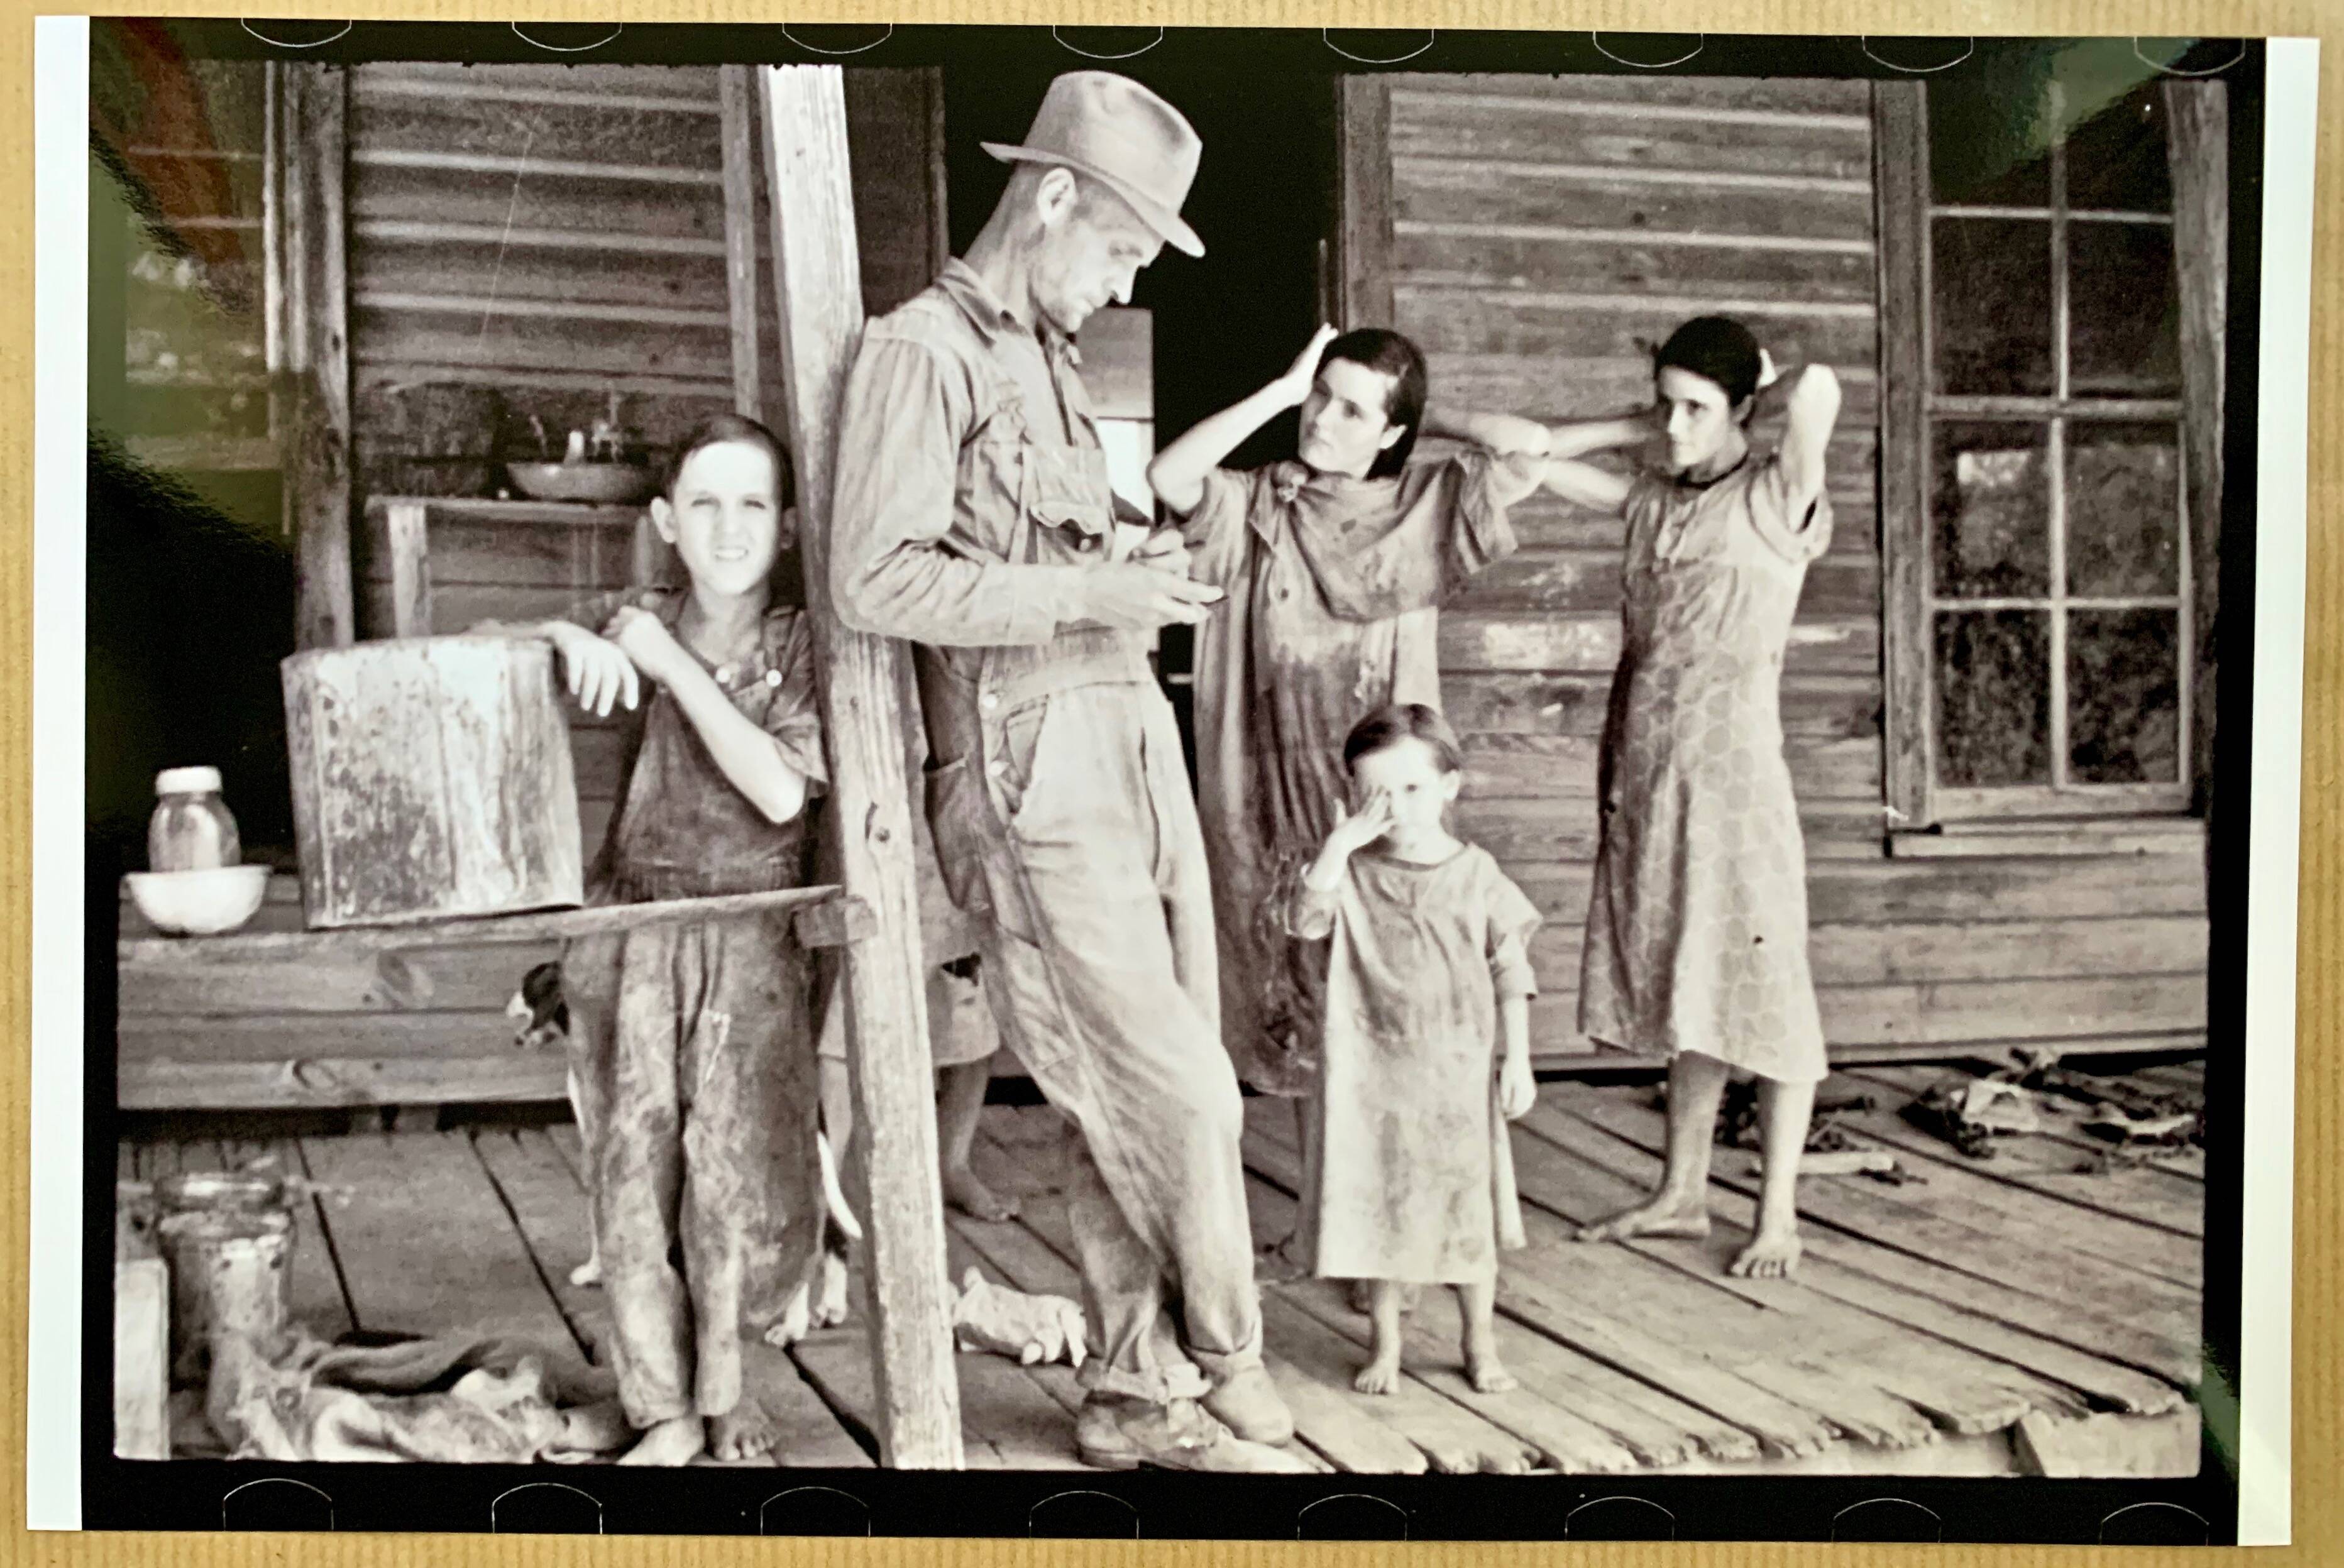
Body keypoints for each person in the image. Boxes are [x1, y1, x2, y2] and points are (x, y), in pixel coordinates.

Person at [828, 71, 1302, 1473]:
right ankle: (1226, 1360)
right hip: (1026, 766)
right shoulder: (925, 352)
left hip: (1123, 739)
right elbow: (875, 574)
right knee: (1179, 1093)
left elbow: (1035, 555)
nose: (1120, 283)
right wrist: (1090, 599)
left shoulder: (1043, 354)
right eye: (1119, 251)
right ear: (1047, 200)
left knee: (1132, 1084)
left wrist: (1125, 575)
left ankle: (1127, 1393)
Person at [1145, 326, 1647, 1271]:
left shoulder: (1424, 500)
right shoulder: (1261, 499)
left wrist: (1417, 420)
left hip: (1381, 788)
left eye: (1351, 407)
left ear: (1391, 432)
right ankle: (1322, 1220)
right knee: (1291, 990)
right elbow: (1172, 476)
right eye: (1320, 396)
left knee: (1384, 998)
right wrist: (1281, 386)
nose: (1323, 418)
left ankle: (1389, 1229)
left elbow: (1521, 447)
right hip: (1268, 775)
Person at [473, 414, 828, 1464]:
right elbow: (485, 646)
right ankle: (661, 1408)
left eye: (752, 505)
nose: (728, 527)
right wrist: (562, 637)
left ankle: (728, 1394)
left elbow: (774, 791)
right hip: (629, 933)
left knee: (735, 1180)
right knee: (630, 1177)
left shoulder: (803, 643)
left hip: (751, 935)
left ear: (787, 526)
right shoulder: (633, 612)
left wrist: (663, 661)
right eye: (704, 504)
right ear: (667, 521)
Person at [1547, 315, 1846, 1280]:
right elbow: (1530, 449)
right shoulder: (1649, 504)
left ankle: (1777, 1215)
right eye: (1664, 405)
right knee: (1690, 980)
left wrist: (1739, 386)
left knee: (1768, 985)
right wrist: (1645, 425)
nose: (1673, 427)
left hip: (1736, 779)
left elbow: (1817, 393)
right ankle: (1680, 1192)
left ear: (1742, 409)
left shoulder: (1778, 497)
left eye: (1693, 409)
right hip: (1645, 769)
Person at [1285, 705, 1541, 1396]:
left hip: (1456, 1071)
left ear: (1450, 785)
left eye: (1412, 789)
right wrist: (1336, 849)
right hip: (1372, 1072)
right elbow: (1306, 922)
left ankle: (1478, 1340)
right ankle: (1386, 1344)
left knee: (1465, 1209)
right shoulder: (1354, 873)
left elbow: (1510, 968)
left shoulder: (1476, 871)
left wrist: (1517, 1058)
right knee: (1383, 1206)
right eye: (1377, 793)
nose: (1394, 807)